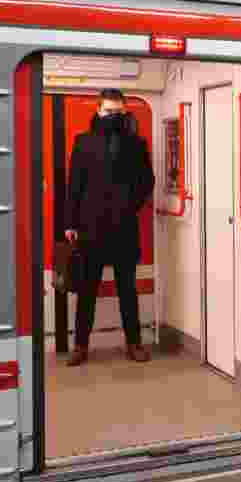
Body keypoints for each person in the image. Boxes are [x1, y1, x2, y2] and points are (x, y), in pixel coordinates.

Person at [64, 89, 155, 366]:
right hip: (90, 226)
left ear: (124, 112)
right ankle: (80, 346)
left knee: (127, 289)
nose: (112, 117)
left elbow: (147, 181)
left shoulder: (136, 144)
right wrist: (70, 223)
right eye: (108, 111)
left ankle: (134, 343)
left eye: (117, 112)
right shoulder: (83, 142)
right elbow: (74, 184)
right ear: (98, 110)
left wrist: (129, 205)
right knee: (87, 290)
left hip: (123, 225)